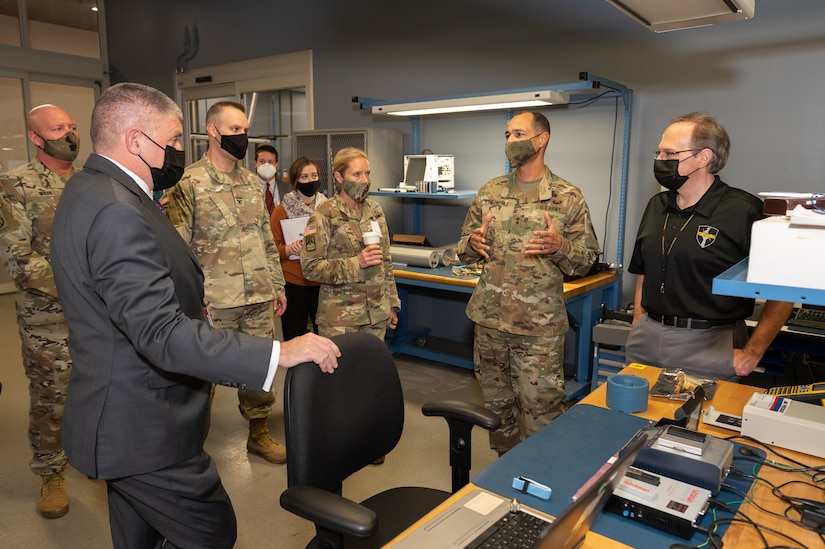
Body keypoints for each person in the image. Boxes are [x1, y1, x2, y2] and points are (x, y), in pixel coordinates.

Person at [50, 82, 340, 549]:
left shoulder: (92, 188)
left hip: (126, 418)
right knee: (211, 531)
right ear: (136, 140)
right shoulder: (117, 209)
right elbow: (161, 332)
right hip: (144, 429)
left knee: (141, 537)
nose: (180, 149)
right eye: (176, 138)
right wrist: (278, 352)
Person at [457, 111, 600, 455]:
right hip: (490, 323)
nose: (510, 141)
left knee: (542, 412)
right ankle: (504, 470)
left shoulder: (567, 196)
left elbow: (588, 259)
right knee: (497, 408)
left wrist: (559, 246)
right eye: (506, 134)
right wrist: (472, 245)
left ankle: (538, 479)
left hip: (538, 330)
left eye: (518, 133)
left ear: (542, 139)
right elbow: (463, 249)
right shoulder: (489, 192)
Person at [164, 101, 290, 464]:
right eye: (234, 130)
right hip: (212, 300)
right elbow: (177, 248)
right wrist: (186, 302)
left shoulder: (252, 183)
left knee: (259, 370)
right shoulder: (188, 183)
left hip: (257, 296)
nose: (243, 137)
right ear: (213, 132)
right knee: (199, 376)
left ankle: (258, 432)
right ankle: (188, 444)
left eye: (245, 129)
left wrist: (277, 285)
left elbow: (266, 239)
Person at [625, 112, 793, 381]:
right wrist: (638, 318)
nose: (659, 160)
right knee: (631, 418)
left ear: (703, 157)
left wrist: (754, 351)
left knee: (697, 422)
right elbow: (643, 268)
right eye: (659, 152)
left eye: (669, 153)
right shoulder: (657, 206)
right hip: (647, 338)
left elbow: (785, 288)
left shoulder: (743, 211)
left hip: (711, 343)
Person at [0, 104, 79, 519]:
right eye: (57, 128)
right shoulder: (16, 185)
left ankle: (92, 455)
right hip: (48, 316)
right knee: (53, 396)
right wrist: (79, 290)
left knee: (99, 386)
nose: (69, 134)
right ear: (35, 138)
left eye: (71, 126)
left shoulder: (90, 182)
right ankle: (51, 472)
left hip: (99, 312)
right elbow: (18, 257)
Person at [301, 147, 400, 339]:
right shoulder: (324, 215)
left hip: (376, 316)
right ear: (339, 177)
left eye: (367, 173)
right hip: (341, 320)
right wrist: (357, 263)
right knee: (342, 370)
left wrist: (392, 304)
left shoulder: (375, 210)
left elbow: (386, 261)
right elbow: (310, 267)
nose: (365, 180)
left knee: (372, 369)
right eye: (357, 174)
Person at [270, 157, 328, 340]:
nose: (310, 181)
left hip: (323, 282)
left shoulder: (328, 208)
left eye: (313, 175)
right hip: (294, 283)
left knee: (326, 335)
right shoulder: (281, 210)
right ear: (296, 181)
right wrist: (289, 249)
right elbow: (270, 250)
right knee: (295, 337)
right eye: (304, 177)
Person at [255, 144, 291, 216]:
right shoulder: (246, 188)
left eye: (271, 162)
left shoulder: (289, 189)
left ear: (276, 164)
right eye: (262, 161)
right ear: (255, 163)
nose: (266, 165)